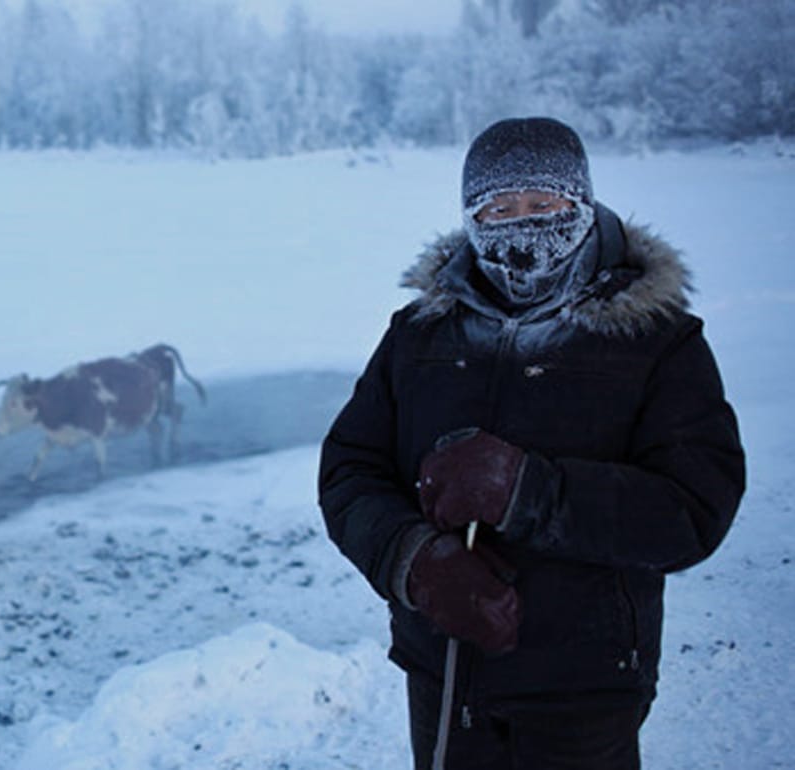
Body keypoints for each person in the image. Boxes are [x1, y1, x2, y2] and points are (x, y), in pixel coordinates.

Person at [317, 117, 745, 769]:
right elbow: (350, 472)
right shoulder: (419, 335)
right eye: (499, 208)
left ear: (583, 204)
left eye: (544, 204)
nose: (523, 227)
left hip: (585, 688)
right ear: (471, 217)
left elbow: (693, 509)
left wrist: (529, 491)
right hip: (445, 675)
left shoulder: (658, 340)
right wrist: (414, 562)